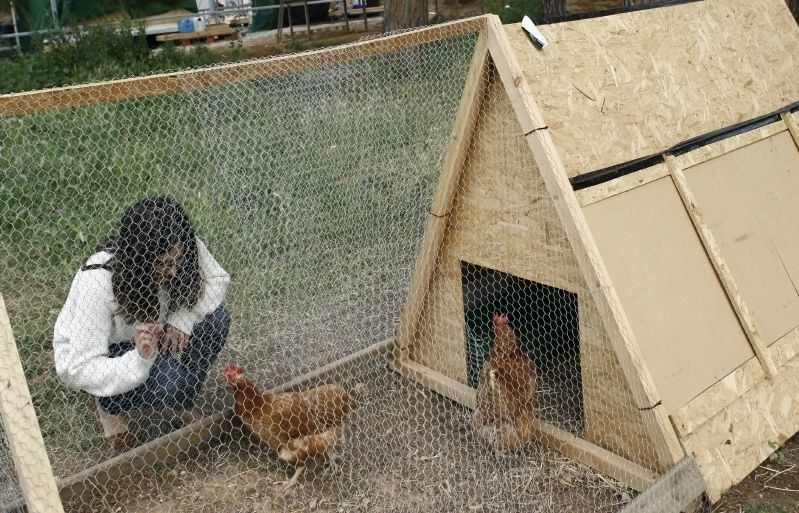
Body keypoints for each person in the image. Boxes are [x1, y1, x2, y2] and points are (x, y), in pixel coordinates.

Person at [53, 196, 231, 450]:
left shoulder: (178, 246)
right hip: (112, 351)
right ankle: (107, 405)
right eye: (160, 264)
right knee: (167, 379)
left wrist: (182, 319)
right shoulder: (98, 281)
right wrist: (138, 359)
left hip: (154, 336)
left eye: (176, 261)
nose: (172, 272)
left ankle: (181, 404)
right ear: (138, 260)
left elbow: (218, 279)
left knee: (216, 321)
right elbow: (78, 367)